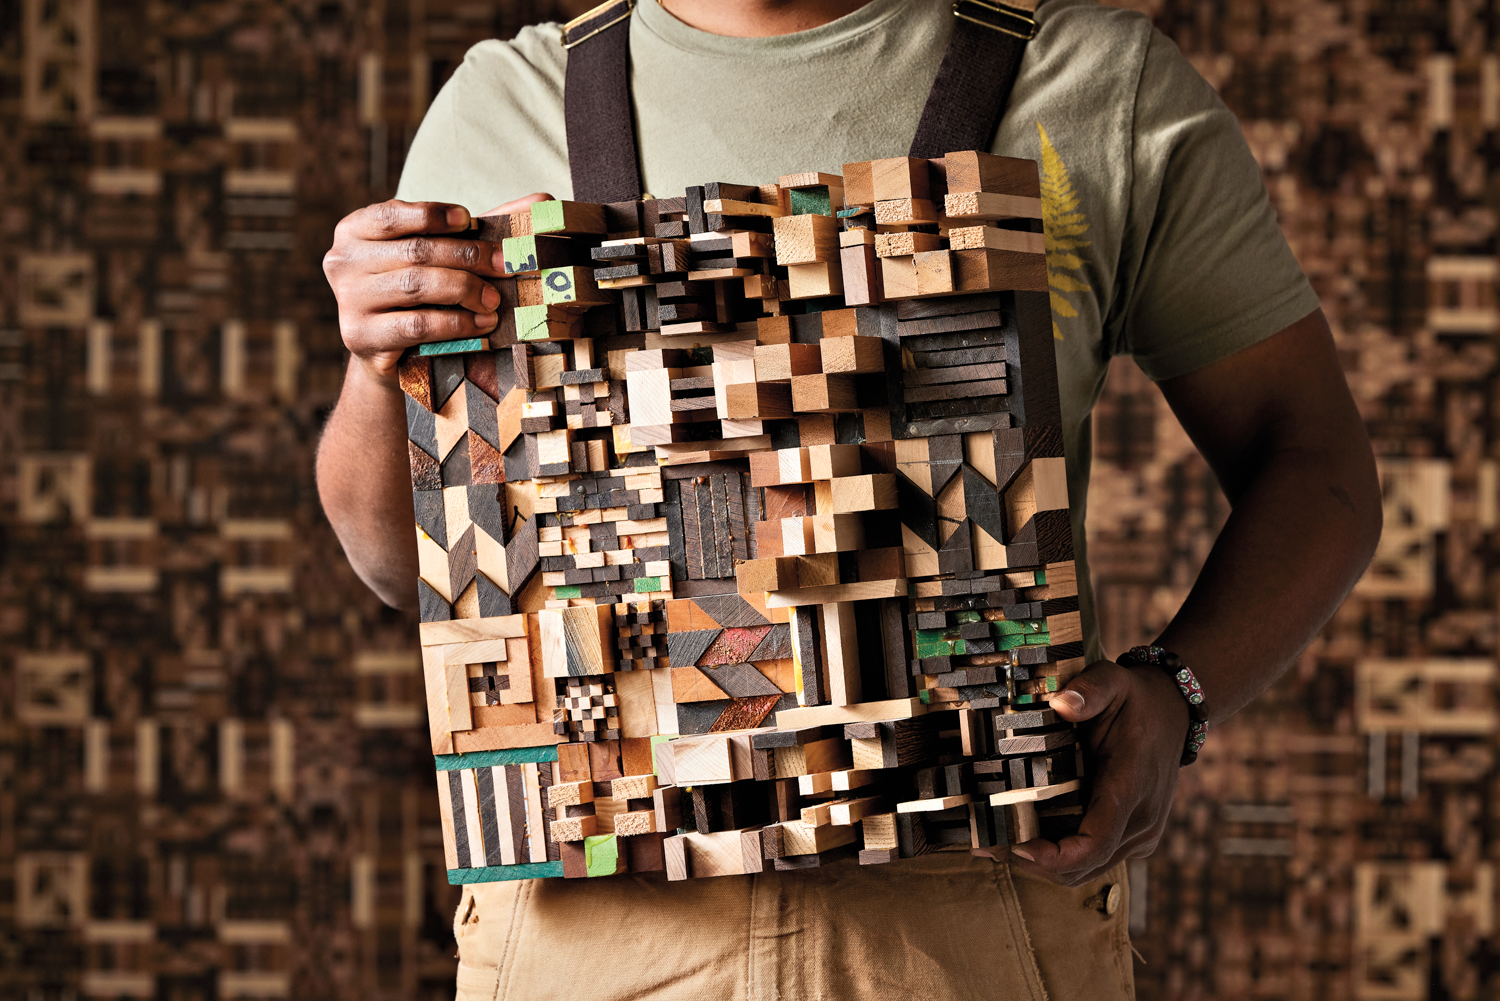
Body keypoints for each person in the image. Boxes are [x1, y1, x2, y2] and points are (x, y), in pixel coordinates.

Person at [317, 0, 1382, 996]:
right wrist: (378, 369)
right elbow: (404, 564)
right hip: (592, 929)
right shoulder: (503, 104)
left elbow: (1318, 467)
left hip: (970, 924)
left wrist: (1175, 693)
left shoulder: (1102, 86)